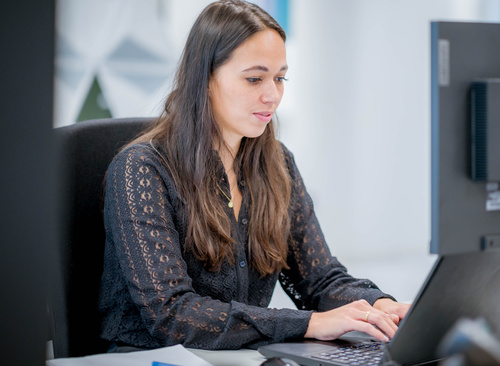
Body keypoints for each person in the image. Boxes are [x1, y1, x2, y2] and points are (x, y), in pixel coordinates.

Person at [99, 0, 410, 351]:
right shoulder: (142, 169)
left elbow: (320, 280)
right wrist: (310, 323)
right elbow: (171, 314)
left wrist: (379, 307)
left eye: (280, 78)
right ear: (204, 79)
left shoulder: (276, 165)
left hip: (236, 358)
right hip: (148, 357)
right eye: (254, 79)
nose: (272, 95)